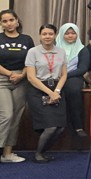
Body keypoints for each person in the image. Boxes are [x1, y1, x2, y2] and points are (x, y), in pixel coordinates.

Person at [24, 24, 67, 163]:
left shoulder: (61, 51)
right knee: (51, 126)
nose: (47, 37)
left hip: (57, 88)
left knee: (60, 127)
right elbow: (31, 77)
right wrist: (50, 93)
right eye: (44, 34)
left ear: (55, 35)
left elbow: (64, 74)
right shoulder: (33, 52)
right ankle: (38, 153)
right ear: (40, 35)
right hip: (38, 89)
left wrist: (57, 91)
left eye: (50, 34)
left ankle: (44, 151)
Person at [57, 23, 89, 136]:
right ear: (61, 34)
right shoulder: (54, 47)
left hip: (74, 76)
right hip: (55, 76)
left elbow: (83, 69)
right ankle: (55, 125)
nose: (70, 36)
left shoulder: (82, 49)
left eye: (73, 33)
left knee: (73, 89)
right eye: (67, 33)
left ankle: (78, 126)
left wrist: (65, 76)